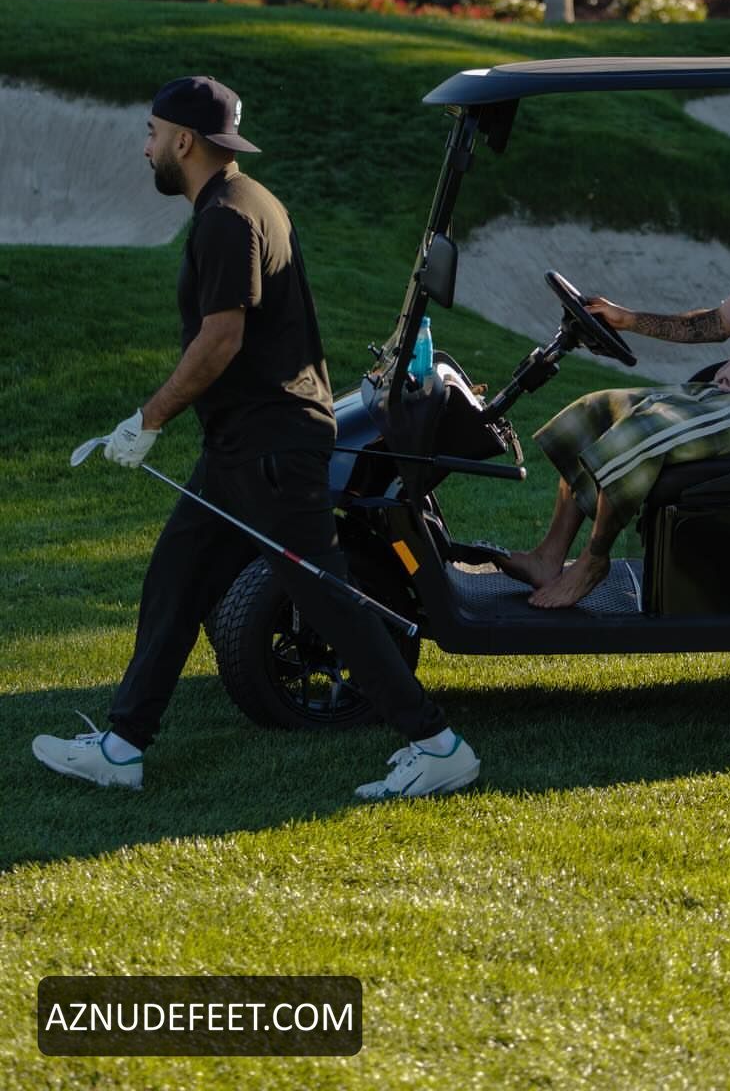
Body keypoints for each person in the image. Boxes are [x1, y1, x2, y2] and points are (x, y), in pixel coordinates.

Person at [31, 75, 479, 802]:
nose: (145, 148)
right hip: (244, 447)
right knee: (177, 578)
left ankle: (438, 745)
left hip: (272, 448)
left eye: (152, 134)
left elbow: (221, 338)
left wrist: (148, 419)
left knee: (326, 598)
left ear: (185, 141)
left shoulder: (228, 218)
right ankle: (123, 746)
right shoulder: (249, 200)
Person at [501, 124, 730, 609]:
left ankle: (593, 561)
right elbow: (715, 324)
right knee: (595, 411)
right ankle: (548, 556)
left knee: (638, 432)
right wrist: (627, 318)